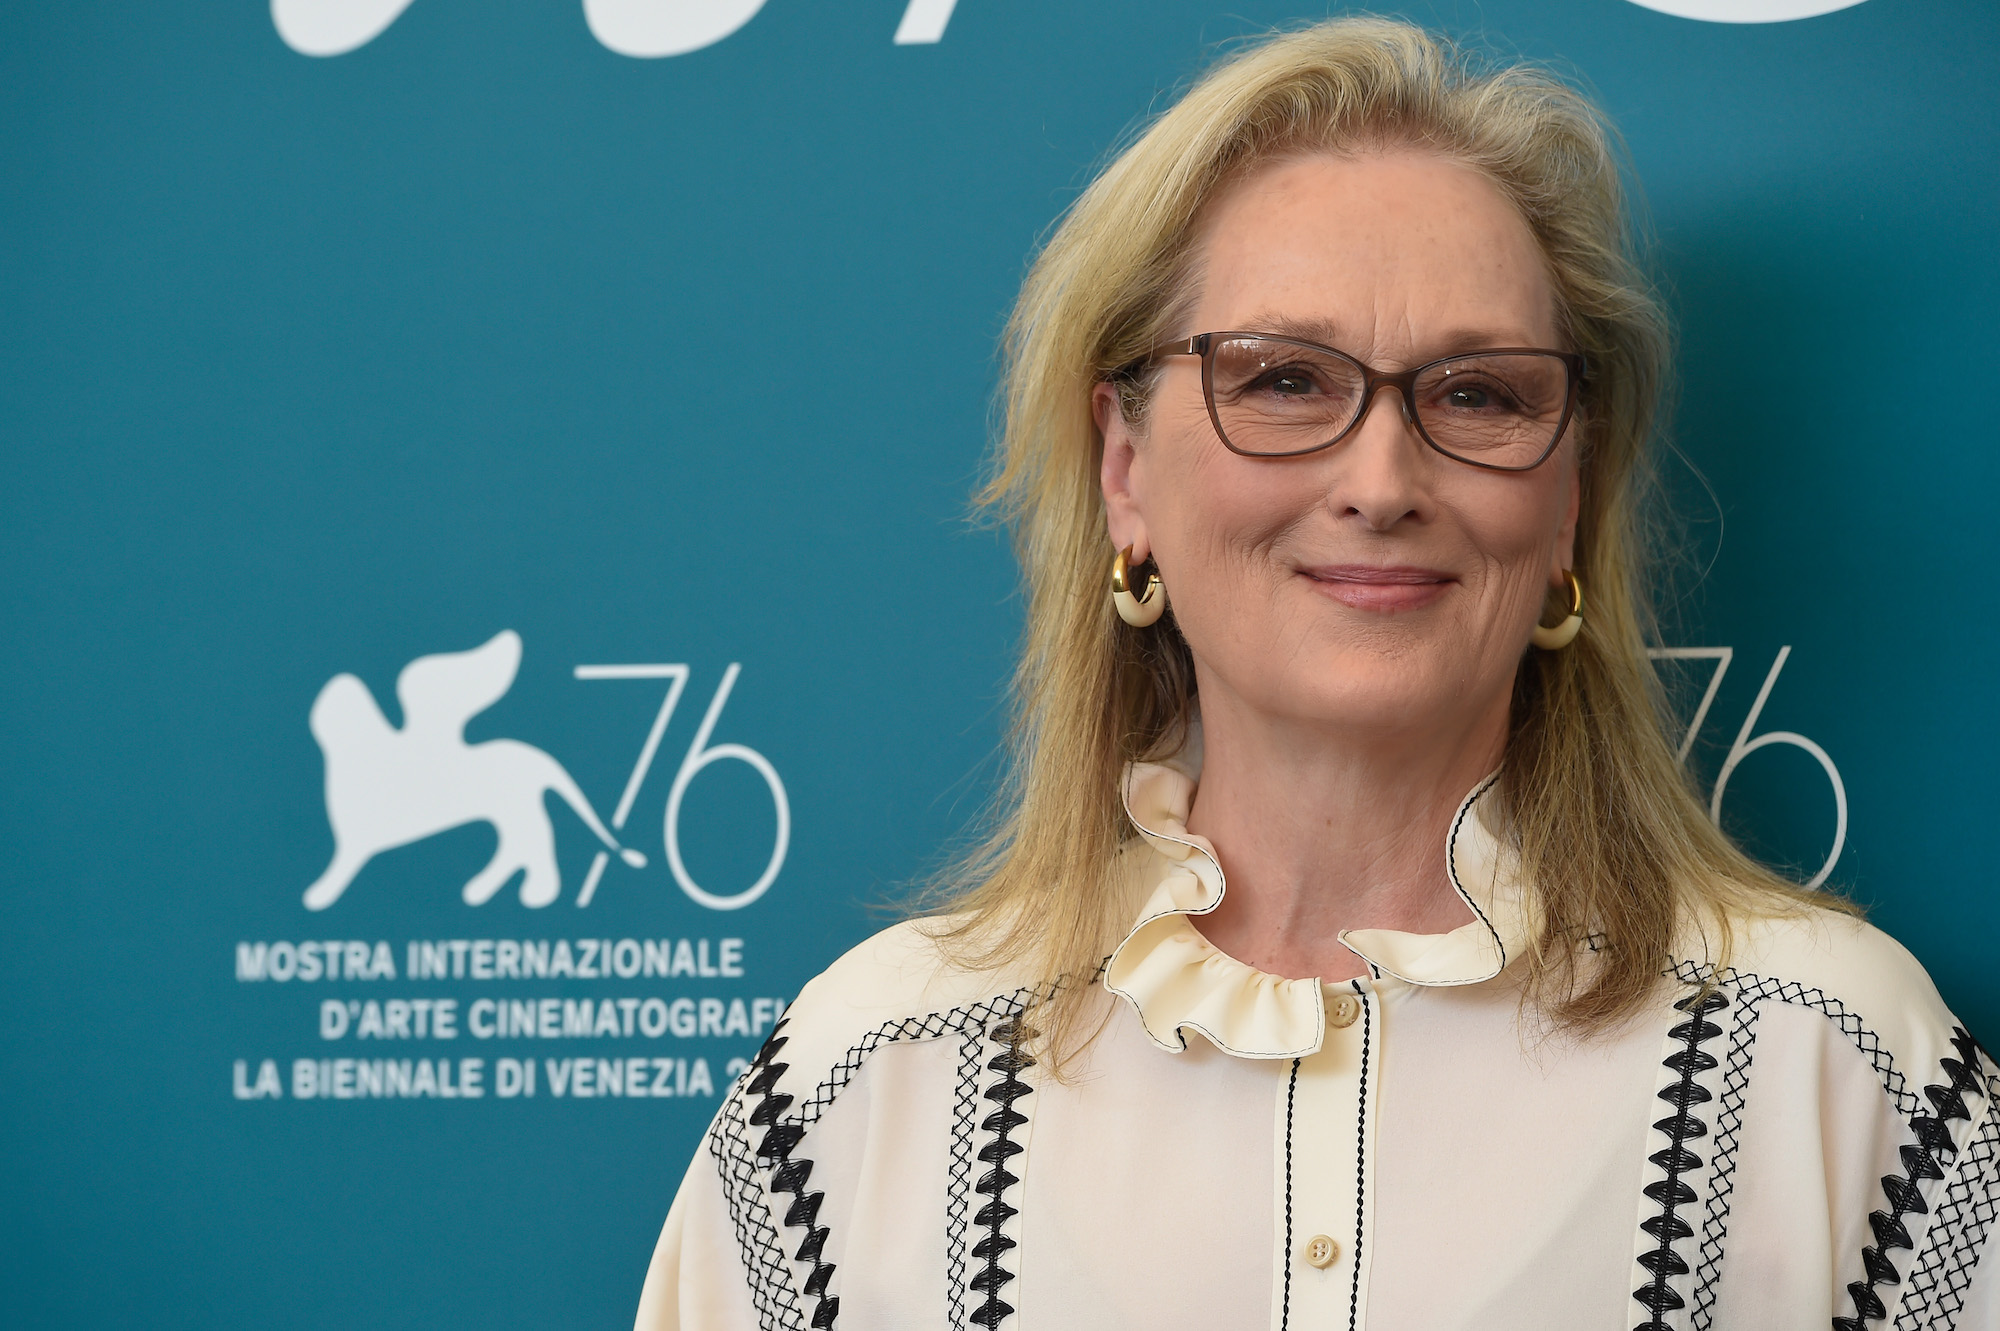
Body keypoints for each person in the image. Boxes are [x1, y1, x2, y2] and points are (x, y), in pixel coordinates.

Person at [634, 18, 1999, 1330]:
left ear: (1572, 493)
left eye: (1479, 393)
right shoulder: (866, 1076)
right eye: (1283, 379)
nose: (1381, 481)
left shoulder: (1828, 1059)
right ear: (1125, 471)